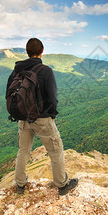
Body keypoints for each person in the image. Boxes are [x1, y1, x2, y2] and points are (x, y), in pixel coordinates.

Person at [6, 38, 78, 196]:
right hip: (42, 118)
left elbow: (9, 94)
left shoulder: (16, 71)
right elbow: (52, 98)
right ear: (42, 51)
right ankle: (62, 185)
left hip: (22, 118)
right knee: (56, 150)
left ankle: (20, 185)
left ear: (27, 52)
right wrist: (52, 115)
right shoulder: (45, 71)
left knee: (23, 151)